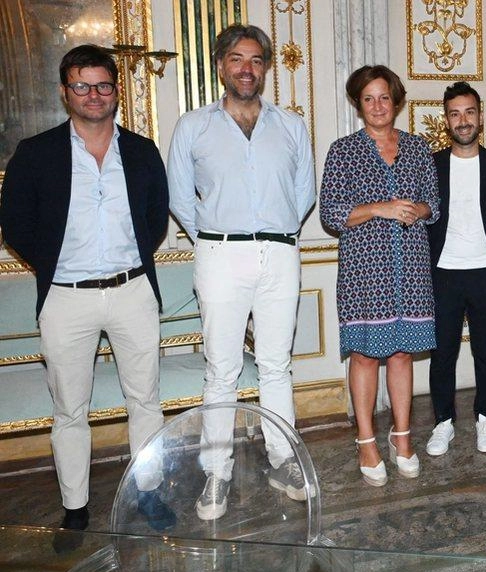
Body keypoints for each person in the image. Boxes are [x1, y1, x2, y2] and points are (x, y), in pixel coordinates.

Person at [0, 45, 175, 544]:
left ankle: (148, 492)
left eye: (102, 86)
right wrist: (57, 266)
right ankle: (75, 508)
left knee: (145, 399)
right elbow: (16, 223)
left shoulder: (142, 151)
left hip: (132, 290)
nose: (93, 95)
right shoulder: (35, 154)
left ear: (115, 91)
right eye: (82, 86)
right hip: (65, 297)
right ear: (64, 91)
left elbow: (155, 219)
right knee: (69, 408)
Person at [168, 24, 316, 520]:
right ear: (220, 65)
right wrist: (217, 236)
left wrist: (272, 233)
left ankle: (283, 460)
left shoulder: (291, 126)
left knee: (276, 365)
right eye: (236, 59)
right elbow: (179, 198)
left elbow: (303, 194)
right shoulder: (193, 126)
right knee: (222, 370)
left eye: (255, 60)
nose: (246, 69)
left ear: (266, 67)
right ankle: (217, 473)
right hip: (219, 256)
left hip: (279, 254)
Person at [320, 65, 439, 486]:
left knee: (402, 354)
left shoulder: (418, 147)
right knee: (366, 355)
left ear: (396, 101)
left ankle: (402, 438)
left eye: (384, 97)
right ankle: (367, 441)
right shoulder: (343, 151)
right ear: (358, 104)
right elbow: (332, 214)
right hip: (364, 271)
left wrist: (416, 209)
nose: (377, 106)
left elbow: (433, 204)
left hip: (410, 267)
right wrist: (380, 208)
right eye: (368, 99)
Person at [425, 82, 486, 456]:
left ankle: (485, 418)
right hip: (443, 275)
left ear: (479, 116)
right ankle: (443, 423)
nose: (462, 121)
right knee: (442, 353)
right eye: (454, 114)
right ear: (446, 120)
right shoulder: (432, 165)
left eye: (469, 112)